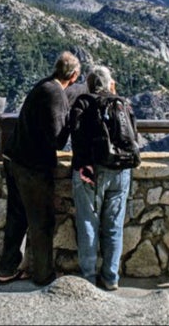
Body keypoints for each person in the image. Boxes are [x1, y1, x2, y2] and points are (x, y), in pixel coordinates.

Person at [0, 50, 81, 286]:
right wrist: (72, 122)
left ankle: (7, 269)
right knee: (41, 221)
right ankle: (44, 275)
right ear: (73, 75)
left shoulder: (45, 85)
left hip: (14, 158)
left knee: (17, 217)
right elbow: (57, 140)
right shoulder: (54, 94)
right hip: (32, 167)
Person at [59, 65, 136, 291]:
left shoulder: (83, 103)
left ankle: (88, 278)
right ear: (110, 84)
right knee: (114, 226)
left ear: (89, 85)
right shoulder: (123, 104)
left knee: (88, 224)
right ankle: (111, 277)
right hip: (121, 171)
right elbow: (133, 136)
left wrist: (83, 165)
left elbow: (77, 136)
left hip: (91, 172)